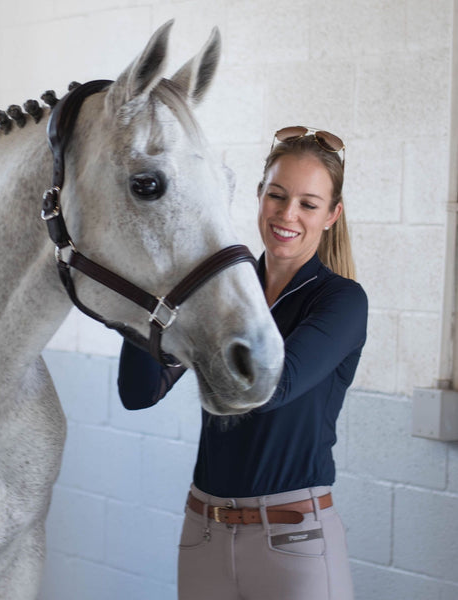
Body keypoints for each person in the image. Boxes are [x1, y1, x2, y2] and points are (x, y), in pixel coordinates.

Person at [117, 126, 367, 600]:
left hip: (294, 542)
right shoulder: (224, 291)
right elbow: (139, 392)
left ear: (332, 215)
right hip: (203, 533)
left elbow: (273, 388)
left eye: (308, 204)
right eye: (276, 195)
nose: (287, 214)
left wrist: (196, 323)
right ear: (258, 195)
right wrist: (148, 291)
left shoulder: (341, 301)